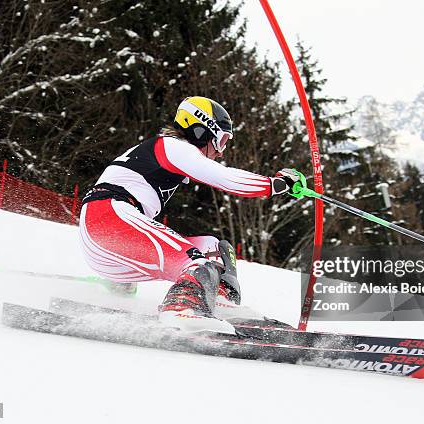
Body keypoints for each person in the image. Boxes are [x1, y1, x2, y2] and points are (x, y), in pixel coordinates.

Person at [79, 96, 300, 334]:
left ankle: (216, 300)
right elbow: (224, 177)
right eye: (221, 141)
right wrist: (276, 184)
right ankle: (182, 308)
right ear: (201, 130)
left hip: (117, 242)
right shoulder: (173, 146)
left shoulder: (168, 153)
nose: (221, 151)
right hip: (107, 218)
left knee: (214, 248)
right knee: (196, 262)